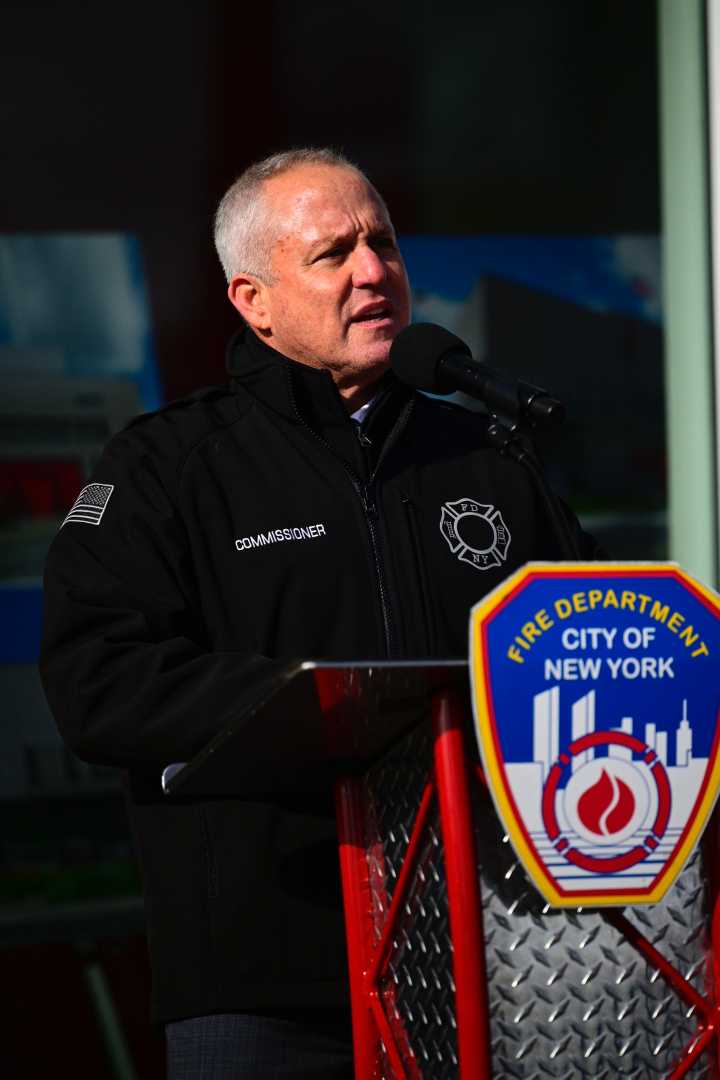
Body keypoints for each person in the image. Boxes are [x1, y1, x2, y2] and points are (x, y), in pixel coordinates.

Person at [40, 148, 597, 1078]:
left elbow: (582, 657)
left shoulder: (491, 458)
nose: (374, 270)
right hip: (269, 986)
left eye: (382, 242)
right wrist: (314, 705)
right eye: (333, 253)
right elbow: (98, 682)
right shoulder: (166, 467)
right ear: (254, 302)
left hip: (494, 966)